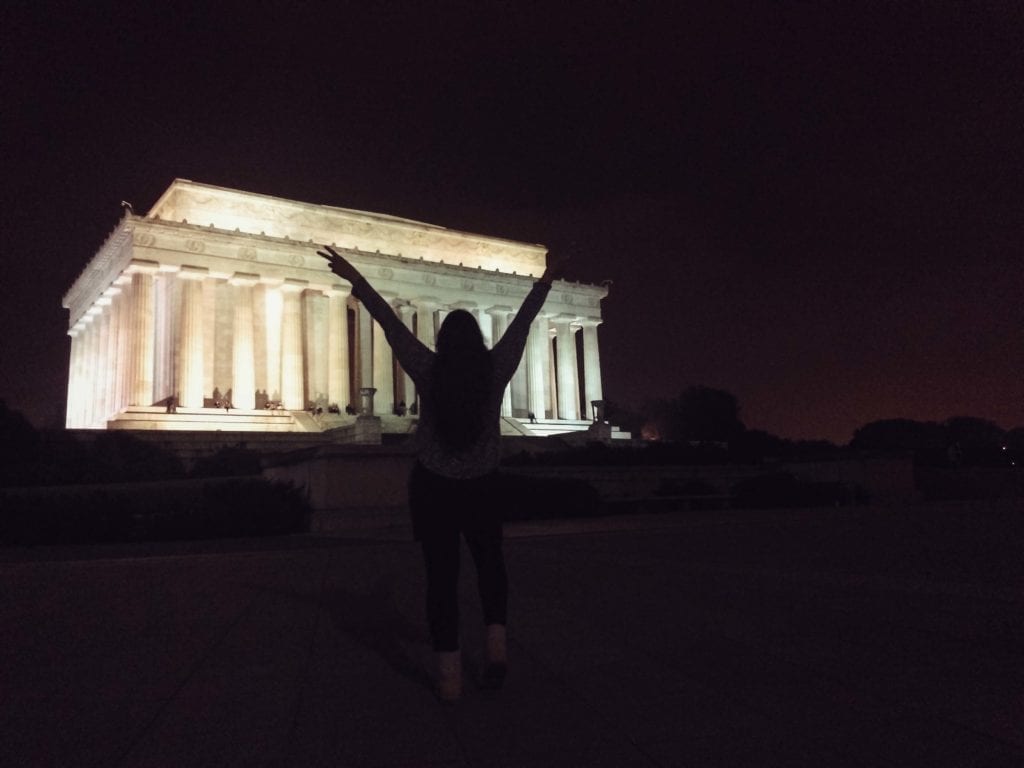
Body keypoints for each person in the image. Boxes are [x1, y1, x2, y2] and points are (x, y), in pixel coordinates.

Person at [319, 244, 563, 701]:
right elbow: (524, 321)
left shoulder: (428, 366)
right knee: (491, 568)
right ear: (478, 340)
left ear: (443, 341)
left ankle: (449, 675)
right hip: (485, 484)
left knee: (441, 579)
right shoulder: (495, 368)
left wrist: (355, 277)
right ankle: (495, 647)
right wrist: (547, 280)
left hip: (433, 487)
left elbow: (389, 324)